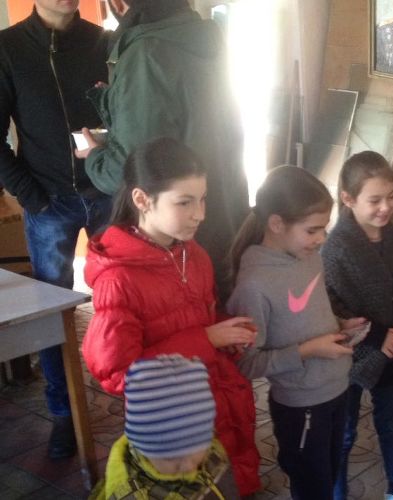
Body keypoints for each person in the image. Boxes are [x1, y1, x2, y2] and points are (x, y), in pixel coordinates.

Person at [80, 138, 261, 496]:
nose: (200, 214)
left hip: (216, 402)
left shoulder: (194, 255)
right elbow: (119, 374)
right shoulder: (119, 280)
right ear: (142, 200)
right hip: (174, 434)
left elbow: (199, 317)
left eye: (203, 199)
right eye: (184, 202)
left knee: (225, 482)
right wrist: (206, 340)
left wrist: (227, 332)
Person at [76, 0, 247, 297]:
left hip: (177, 232)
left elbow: (131, 170)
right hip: (224, 210)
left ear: (118, 3)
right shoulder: (204, 37)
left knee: (180, 316)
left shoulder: (146, 52)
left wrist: (95, 157)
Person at [0, 0, 110, 459]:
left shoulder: (105, 41)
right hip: (48, 201)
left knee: (124, 300)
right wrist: (32, 196)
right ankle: (64, 412)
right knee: (50, 314)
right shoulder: (8, 48)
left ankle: (136, 396)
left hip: (108, 194)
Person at [227, 165, 358, 500]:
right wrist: (308, 350)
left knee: (329, 477)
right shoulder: (254, 285)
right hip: (301, 407)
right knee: (312, 488)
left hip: (337, 390)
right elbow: (246, 364)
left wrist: (339, 326)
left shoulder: (309, 257)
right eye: (312, 230)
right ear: (276, 224)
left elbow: (305, 316)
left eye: (324, 229)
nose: (322, 239)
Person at [321, 151, 393, 500]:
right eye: (375, 200)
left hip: (391, 351)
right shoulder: (334, 248)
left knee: (390, 424)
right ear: (348, 199)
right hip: (350, 354)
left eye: (391, 197)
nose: (386, 207)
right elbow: (330, 307)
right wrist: (376, 334)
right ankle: (338, 494)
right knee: (344, 431)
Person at [90, 355, 239, 499]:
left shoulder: (214, 453)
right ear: (144, 450)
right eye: (171, 460)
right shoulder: (133, 494)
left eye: (196, 452)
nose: (188, 467)